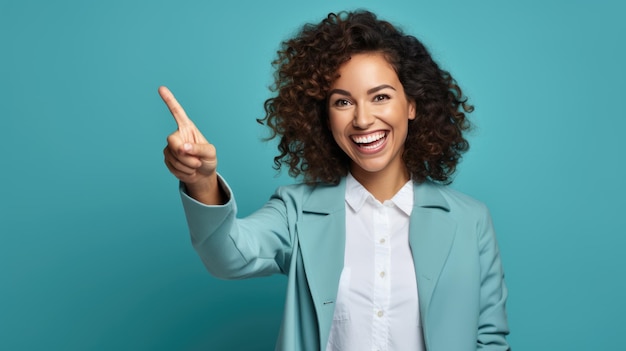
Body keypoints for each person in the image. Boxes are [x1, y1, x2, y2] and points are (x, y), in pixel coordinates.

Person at [160, 10, 510, 351]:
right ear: (324, 117)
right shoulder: (296, 211)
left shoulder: (470, 221)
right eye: (343, 102)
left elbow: (490, 339)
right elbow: (227, 257)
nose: (362, 119)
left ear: (412, 105)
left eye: (381, 97)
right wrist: (202, 181)